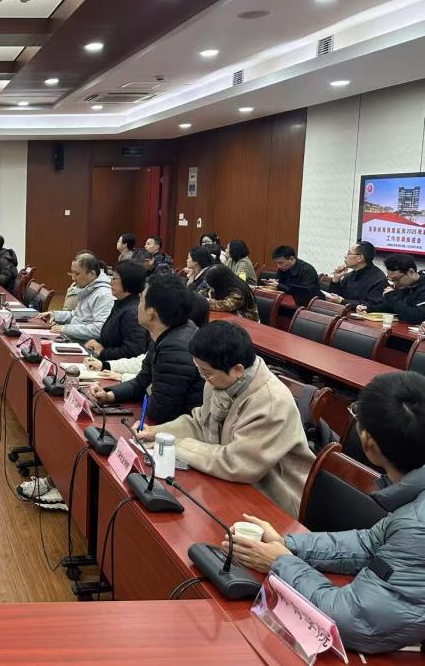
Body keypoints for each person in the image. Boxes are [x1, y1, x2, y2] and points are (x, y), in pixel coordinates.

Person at [226, 371, 425, 654]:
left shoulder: (418, 525)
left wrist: (281, 562)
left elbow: (354, 621)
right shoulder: (413, 508)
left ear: (367, 441)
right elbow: (371, 542)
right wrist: (287, 544)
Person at [137, 321, 314, 516]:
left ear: (238, 370)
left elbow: (237, 463)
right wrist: (158, 432)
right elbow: (199, 424)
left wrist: (176, 445)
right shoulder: (219, 381)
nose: (203, 378)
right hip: (229, 483)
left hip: (272, 501)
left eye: (206, 372)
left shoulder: (271, 402)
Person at [87, 274, 204, 424]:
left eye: (141, 300)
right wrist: (109, 395)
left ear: (151, 313)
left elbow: (161, 412)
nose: (137, 305)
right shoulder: (167, 332)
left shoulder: (175, 349)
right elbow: (142, 382)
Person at [86, 293, 211, 382]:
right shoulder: (164, 335)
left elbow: (160, 384)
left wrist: (123, 377)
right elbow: (144, 362)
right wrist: (106, 365)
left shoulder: (179, 347)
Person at [37, 253, 113, 343]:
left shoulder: (103, 295)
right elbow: (76, 315)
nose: (73, 278)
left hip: (86, 345)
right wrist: (55, 315)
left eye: (77, 274)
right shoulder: (87, 288)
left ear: (92, 274)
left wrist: (65, 329)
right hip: (75, 339)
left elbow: (99, 330)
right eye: (72, 272)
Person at [83, 260, 149, 362]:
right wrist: (97, 343)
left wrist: (103, 352)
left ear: (127, 281)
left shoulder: (132, 312)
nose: (110, 282)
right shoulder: (121, 304)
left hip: (117, 367)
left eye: (114, 279)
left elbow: (134, 350)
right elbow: (112, 338)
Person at [361, 253, 425, 323]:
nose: (395, 283)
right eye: (392, 280)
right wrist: (368, 308)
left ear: (411, 272)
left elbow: (417, 317)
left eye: (397, 279)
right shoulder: (404, 285)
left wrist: (392, 297)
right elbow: (390, 307)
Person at [324, 241, 387, 307]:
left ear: (360, 258)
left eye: (349, 253)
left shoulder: (378, 279)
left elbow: (372, 304)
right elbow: (334, 298)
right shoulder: (350, 275)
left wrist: (343, 302)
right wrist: (336, 280)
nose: (345, 256)